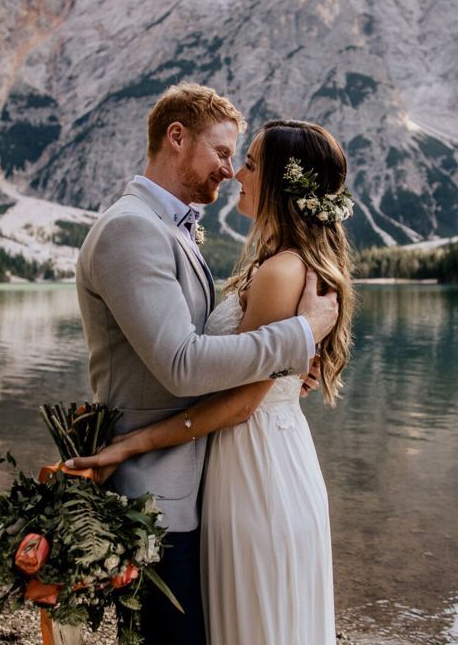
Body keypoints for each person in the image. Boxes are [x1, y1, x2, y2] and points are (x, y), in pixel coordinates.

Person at [70, 118, 356, 645]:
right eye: (232, 157)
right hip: (265, 461)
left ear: (279, 182)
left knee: (251, 621)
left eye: (248, 162)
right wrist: (291, 361)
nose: (235, 174)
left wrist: (131, 444)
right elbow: (229, 367)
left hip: (255, 470)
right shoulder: (282, 265)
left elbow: (241, 404)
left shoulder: (280, 271)